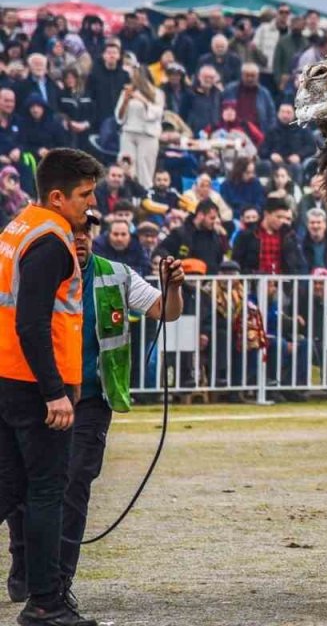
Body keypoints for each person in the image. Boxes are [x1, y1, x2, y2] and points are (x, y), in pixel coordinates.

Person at [7, 220, 183, 615]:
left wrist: (173, 287)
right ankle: (24, 556)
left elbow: (164, 312)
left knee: (74, 486)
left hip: (90, 397)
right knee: (25, 486)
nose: (80, 238)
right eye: (74, 231)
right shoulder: (34, 269)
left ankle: (56, 584)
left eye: (87, 231)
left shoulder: (114, 274)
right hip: (36, 393)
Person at [0, 148, 101, 626]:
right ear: (58, 196)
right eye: (85, 195)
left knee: (9, 487)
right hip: (32, 384)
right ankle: (45, 602)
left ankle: (43, 598)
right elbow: (33, 323)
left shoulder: (20, 226)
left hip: (7, 377)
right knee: (45, 491)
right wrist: (54, 391)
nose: (91, 204)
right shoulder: (51, 241)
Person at [114, 68, 164, 190]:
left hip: (148, 135)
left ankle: (145, 195)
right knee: (128, 167)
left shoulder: (157, 93)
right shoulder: (126, 91)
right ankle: (129, 194)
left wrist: (142, 100)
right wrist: (126, 99)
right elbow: (119, 117)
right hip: (129, 132)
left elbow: (157, 114)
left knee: (145, 168)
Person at [231, 197, 301, 275]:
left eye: (285, 218)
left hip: (281, 284)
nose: (282, 221)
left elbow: (296, 263)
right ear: (266, 214)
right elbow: (237, 262)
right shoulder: (247, 235)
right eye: (278, 217)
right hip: (253, 282)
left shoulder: (289, 236)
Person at [160, 198, 229, 272]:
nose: (215, 222)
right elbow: (162, 250)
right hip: (185, 280)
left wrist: (224, 237)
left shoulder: (215, 236)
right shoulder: (180, 233)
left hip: (210, 281)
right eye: (212, 218)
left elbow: (220, 258)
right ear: (200, 215)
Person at [221, 63, 275, 133]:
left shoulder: (264, 93)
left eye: (253, 76)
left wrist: (269, 134)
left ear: (258, 76)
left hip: (257, 133)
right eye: (247, 75)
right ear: (242, 75)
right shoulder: (230, 90)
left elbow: (271, 115)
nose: (250, 78)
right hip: (233, 131)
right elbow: (220, 108)